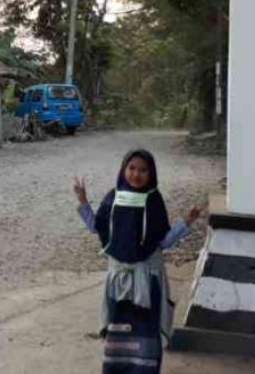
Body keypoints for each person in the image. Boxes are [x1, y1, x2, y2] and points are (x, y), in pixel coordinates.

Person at [73, 149, 202, 373]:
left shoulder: (153, 200)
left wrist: (186, 223)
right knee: (118, 334)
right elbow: (96, 227)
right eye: (132, 168)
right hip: (118, 283)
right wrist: (83, 202)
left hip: (146, 282)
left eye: (143, 170)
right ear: (124, 169)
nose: (136, 174)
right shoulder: (113, 197)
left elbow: (163, 241)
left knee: (146, 334)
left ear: (151, 174)